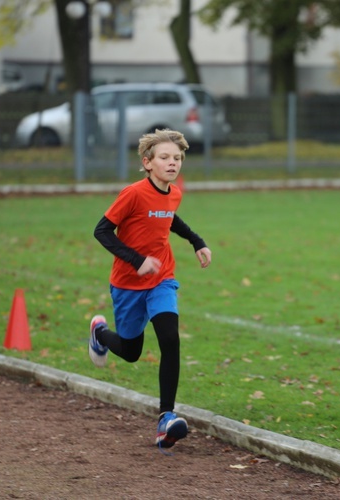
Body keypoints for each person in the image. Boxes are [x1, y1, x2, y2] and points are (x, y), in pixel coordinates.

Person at [89, 128, 212, 451]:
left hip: (161, 279)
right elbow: (101, 231)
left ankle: (165, 419)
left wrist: (196, 241)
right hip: (128, 284)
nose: (172, 163)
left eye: (177, 158)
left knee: (170, 338)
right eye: (165, 158)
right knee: (130, 352)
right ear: (147, 163)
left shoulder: (173, 192)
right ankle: (100, 333)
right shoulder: (132, 194)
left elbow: (169, 217)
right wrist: (135, 259)